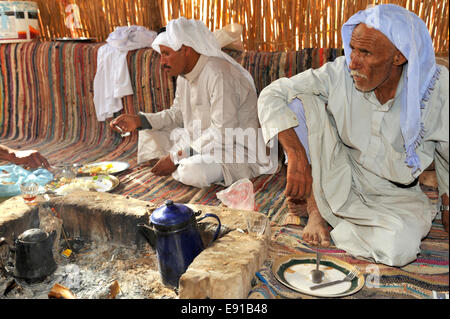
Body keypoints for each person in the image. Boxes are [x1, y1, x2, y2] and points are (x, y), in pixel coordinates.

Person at [257, 4, 448, 267]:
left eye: (366, 52)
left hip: (395, 196)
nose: (353, 62)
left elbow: (447, 149)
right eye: (353, 49)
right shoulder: (340, 73)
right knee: (298, 100)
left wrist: (447, 205)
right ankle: (316, 209)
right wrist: (296, 154)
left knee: (399, 249)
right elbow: (272, 94)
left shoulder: (434, 88)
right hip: (342, 172)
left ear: (399, 57)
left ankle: (332, 215)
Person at [110, 18, 276, 188]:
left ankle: (183, 164)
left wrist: (176, 157)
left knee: (193, 170)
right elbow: (178, 114)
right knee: (149, 133)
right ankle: (180, 161)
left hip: (235, 148)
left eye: (166, 54)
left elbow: (223, 132)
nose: (162, 63)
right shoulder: (184, 75)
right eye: (161, 55)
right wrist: (139, 121)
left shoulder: (219, 74)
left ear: (186, 50)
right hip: (202, 141)